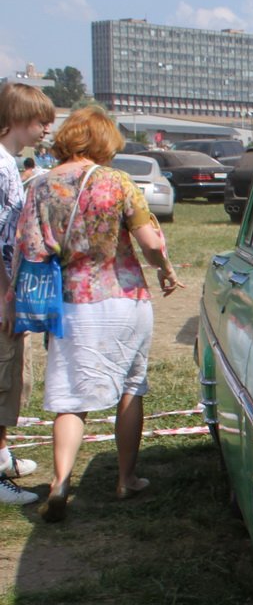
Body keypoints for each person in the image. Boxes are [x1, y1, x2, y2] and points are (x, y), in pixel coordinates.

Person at [14, 106, 183, 522]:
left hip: (71, 303)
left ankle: (60, 481)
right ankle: (126, 479)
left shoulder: (39, 186)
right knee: (131, 386)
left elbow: (31, 249)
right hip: (123, 297)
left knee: (70, 397)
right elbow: (150, 241)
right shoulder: (118, 182)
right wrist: (165, 268)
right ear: (104, 141)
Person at [0, 83, 56, 506]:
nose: (45, 130)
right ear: (17, 118)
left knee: (8, 378)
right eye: (40, 121)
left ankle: (2, 456)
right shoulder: (1, 168)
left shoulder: (11, 165)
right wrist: (6, 293)